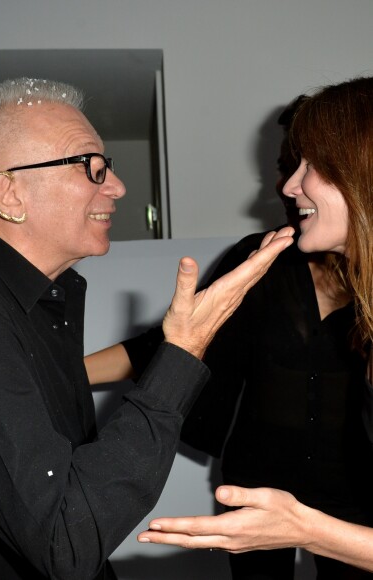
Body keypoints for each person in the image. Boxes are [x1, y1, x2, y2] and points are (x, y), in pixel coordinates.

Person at [0, 77, 293, 580]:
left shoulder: (32, 301)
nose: (116, 186)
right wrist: (182, 353)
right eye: (91, 166)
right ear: (7, 192)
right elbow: (65, 540)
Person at [86, 93, 373, 579]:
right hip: (257, 478)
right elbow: (172, 344)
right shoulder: (263, 261)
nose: (289, 185)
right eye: (290, 164)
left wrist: (311, 530)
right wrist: (59, 376)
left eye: (312, 163)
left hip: (352, 487)